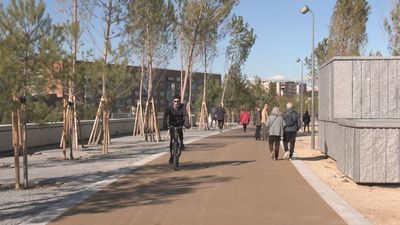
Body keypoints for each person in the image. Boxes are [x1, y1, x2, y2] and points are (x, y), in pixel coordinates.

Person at [163, 94, 190, 164]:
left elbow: (185, 115)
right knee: (172, 139)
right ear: (173, 101)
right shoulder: (169, 108)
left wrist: (187, 123)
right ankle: (171, 155)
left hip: (180, 123)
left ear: (179, 102)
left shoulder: (182, 107)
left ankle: (181, 143)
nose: (176, 103)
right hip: (172, 124)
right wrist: (165, 124)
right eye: (175, 101)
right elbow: (165, 116)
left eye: (178, 101)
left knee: (180, 132)